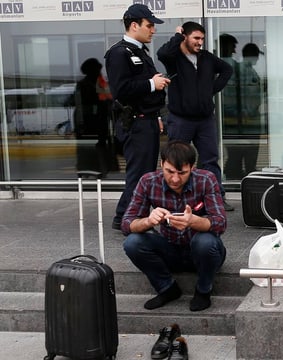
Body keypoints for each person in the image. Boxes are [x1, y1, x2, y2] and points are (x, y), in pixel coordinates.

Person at [122, 140, 227, 311]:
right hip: (169, 248)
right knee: (132, 242)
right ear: (161, 164)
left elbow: (220, 222)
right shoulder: (148, 181)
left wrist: (193, 221)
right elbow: (127, 224)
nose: (175, 179)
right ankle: (166, 288)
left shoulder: (206, 179)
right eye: (169, 171)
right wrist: (148, 220)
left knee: (205, 242)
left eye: (182, 173)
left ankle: (203, 290)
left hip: (203, 251)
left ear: (192, 167)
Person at [104, 4, 170, 231]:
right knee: (139, 175)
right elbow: (121, 90)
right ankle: (128, 220)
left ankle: (126, 215)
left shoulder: (139, 51)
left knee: (146, 173)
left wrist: (156, 115)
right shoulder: (119, 53)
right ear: (134, 25)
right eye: (149, 25)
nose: (153, 30)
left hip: (147, 119)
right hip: (135, 122)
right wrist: (153, 84)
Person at [157, 21, 235, 211]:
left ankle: (216, 199)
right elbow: (163, 53)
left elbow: (227, 70)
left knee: (210, 160)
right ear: (185, 36)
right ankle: (174, 200)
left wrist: (211, 89)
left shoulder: (206, 58)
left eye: (202, 39)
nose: (200, 42)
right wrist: (177, 36)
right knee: (176, 160)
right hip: (180, 119)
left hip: (205, 120)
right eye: (196, 38)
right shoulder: (174, 58)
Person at [224, 42, 264, 178]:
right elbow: (245, 94)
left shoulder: (247, 70)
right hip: (245, 118)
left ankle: (242, 172)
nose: (258, 59)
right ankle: (242, 173)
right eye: (257, 56)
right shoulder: (244, 70)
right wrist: (245, 112)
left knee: (242, 151)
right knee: (243, 151)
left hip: (245, 117)